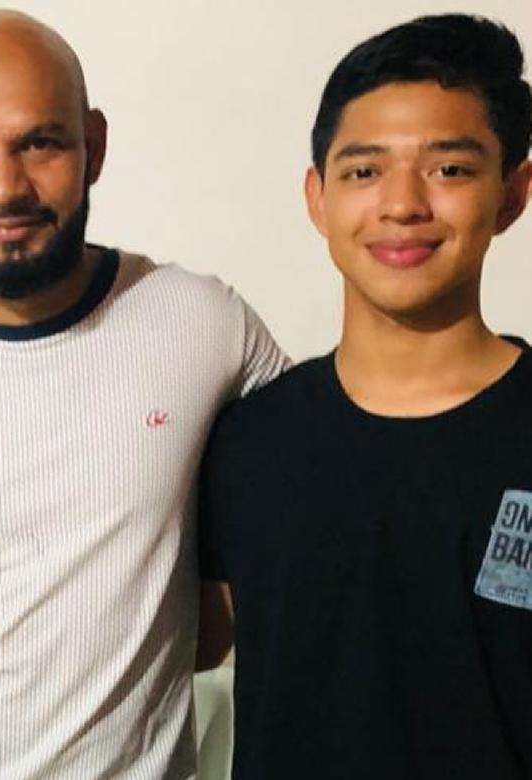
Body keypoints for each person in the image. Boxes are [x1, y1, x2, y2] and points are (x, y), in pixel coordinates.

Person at [0, 10, 288, 778]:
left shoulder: (203, 324)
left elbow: (324, 501)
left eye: (40, 144)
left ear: (95, 145)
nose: (4, 187)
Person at [199, 14, 532, 779]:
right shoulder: (248, 442)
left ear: (512, 194)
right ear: (317, 197)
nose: (402, 204)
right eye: (363, 172)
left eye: (450, 168)